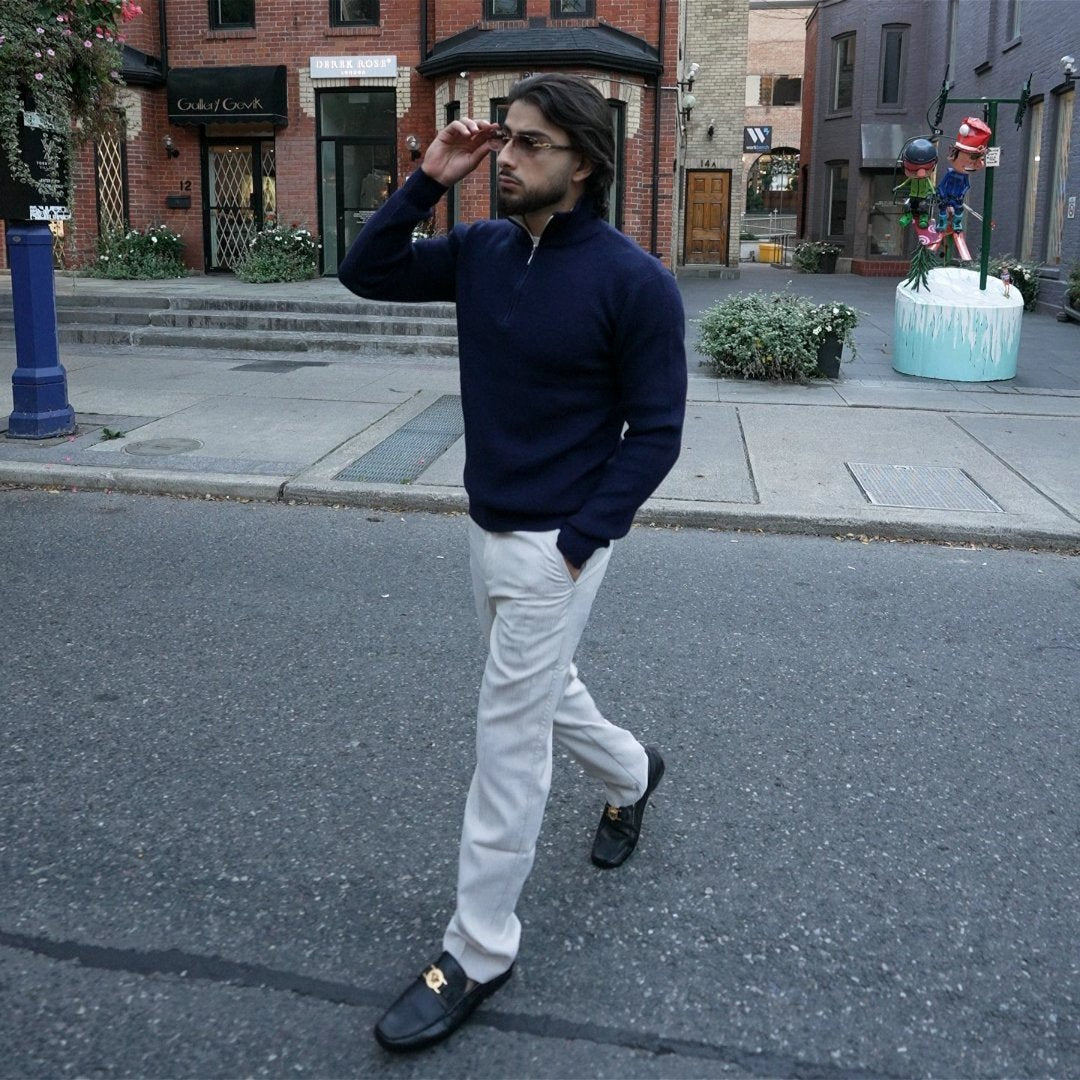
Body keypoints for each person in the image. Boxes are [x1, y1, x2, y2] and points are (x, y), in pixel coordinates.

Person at [338, 73, 686, 1053]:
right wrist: (430, 177)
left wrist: (578, 544)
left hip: (556, 546)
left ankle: (480, 948)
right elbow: (365, 270)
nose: (510, 157)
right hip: (486, 526)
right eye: (507, 138)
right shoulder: (484, 251)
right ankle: (632, 772)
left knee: (508, 739)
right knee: (540, 688)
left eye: (533, 143)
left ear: (586, 163)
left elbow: (657, 432)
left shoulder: (633, 281)